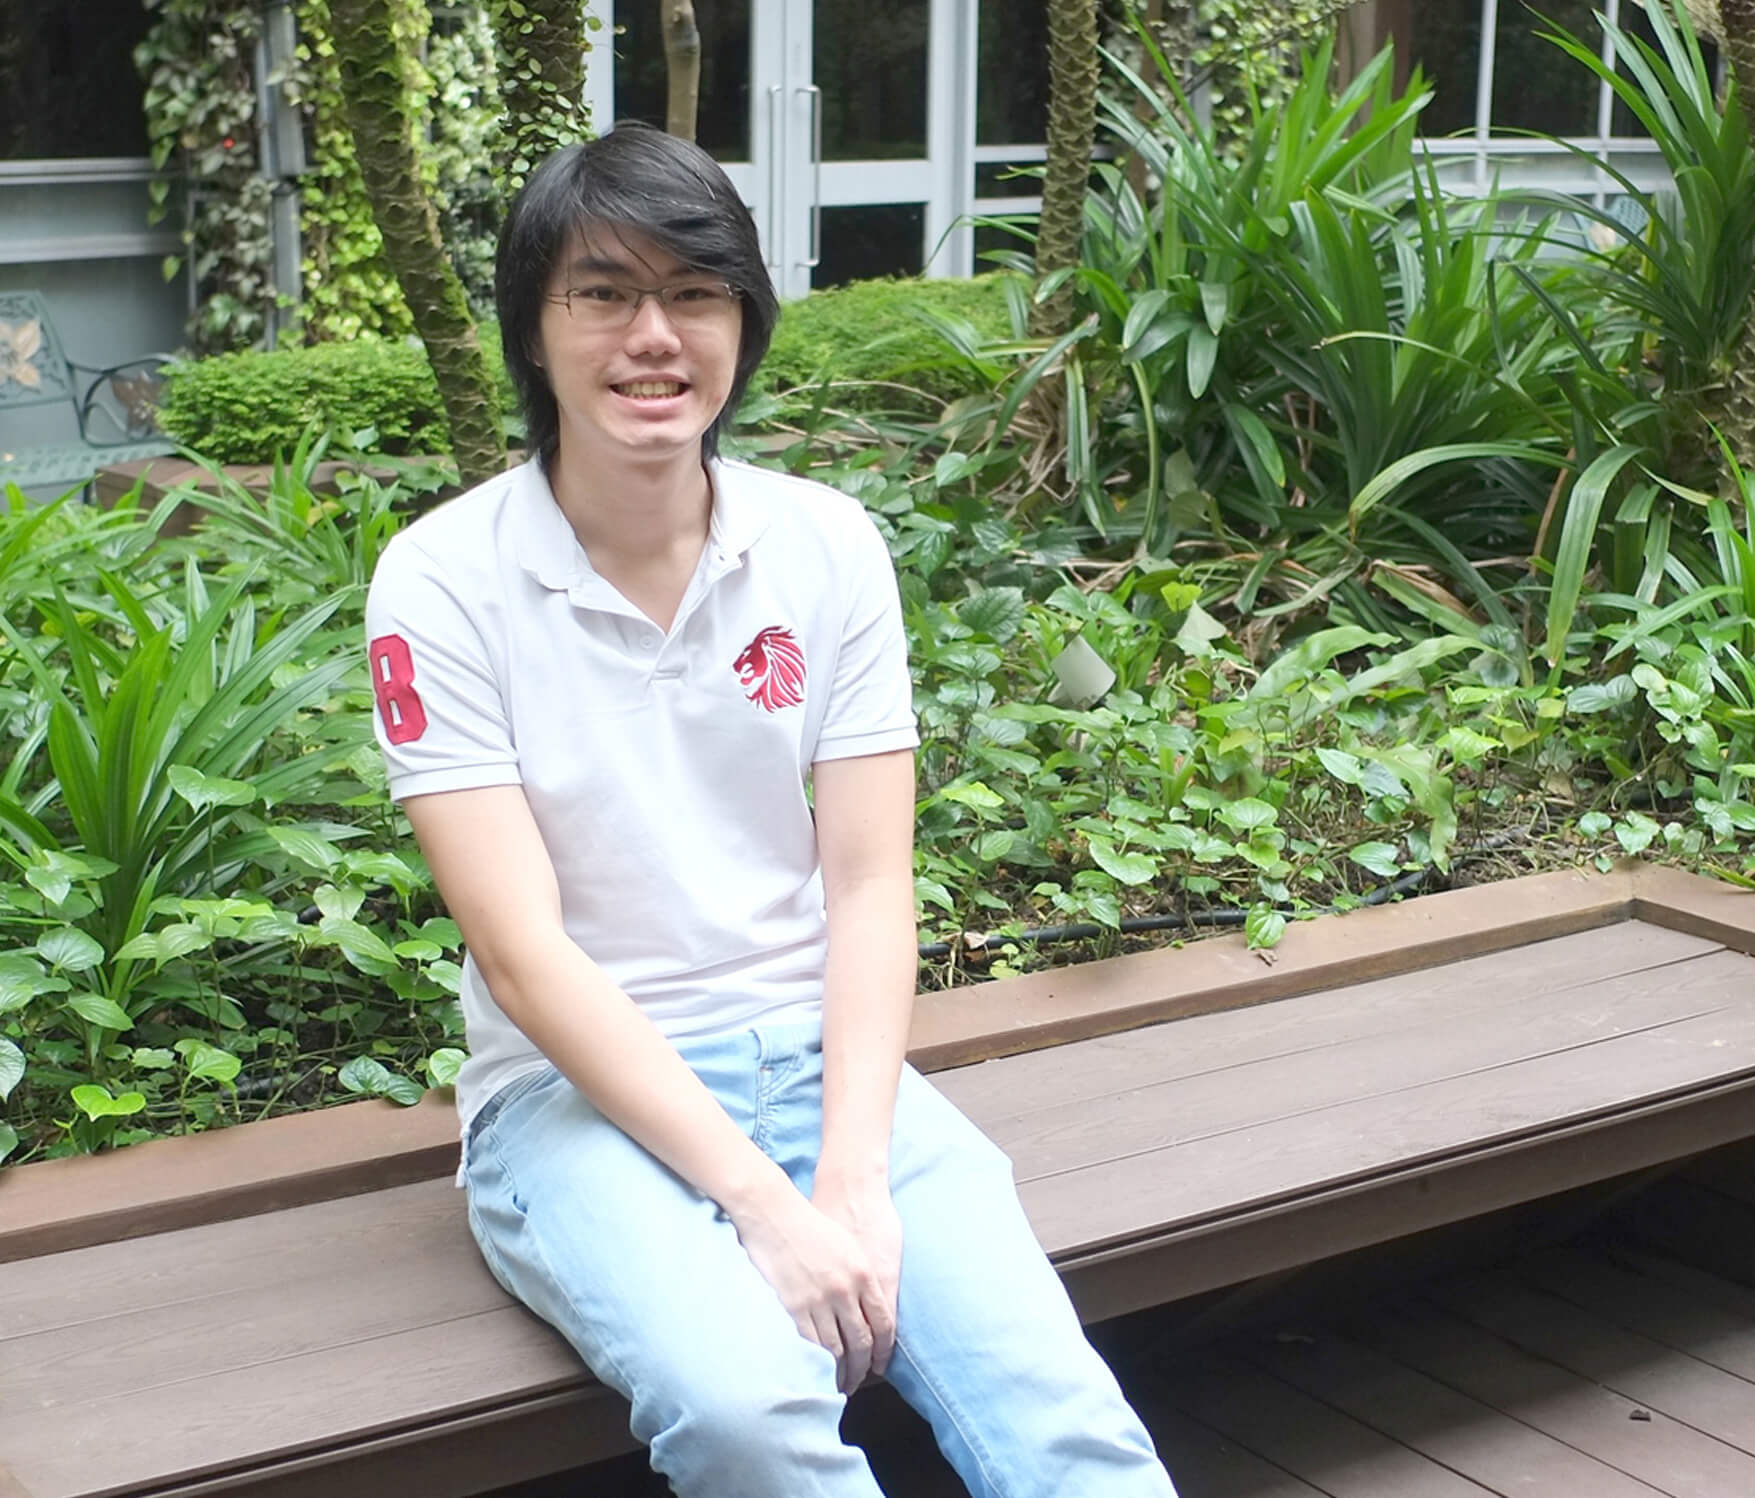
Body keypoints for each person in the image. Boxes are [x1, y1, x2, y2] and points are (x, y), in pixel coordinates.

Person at [362, 122, 1180, 1498]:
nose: (653, 336)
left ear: (743, 321)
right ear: (535, 327)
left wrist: (851, 1178)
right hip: (575, 1105)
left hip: (824, 1067)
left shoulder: (823, 544)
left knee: (1065, 1425)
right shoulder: (442, 581)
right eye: (602, 294)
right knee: (751, 1413)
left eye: (694, 293)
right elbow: (523, 954)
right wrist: (765, 1206)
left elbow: (866, 885)